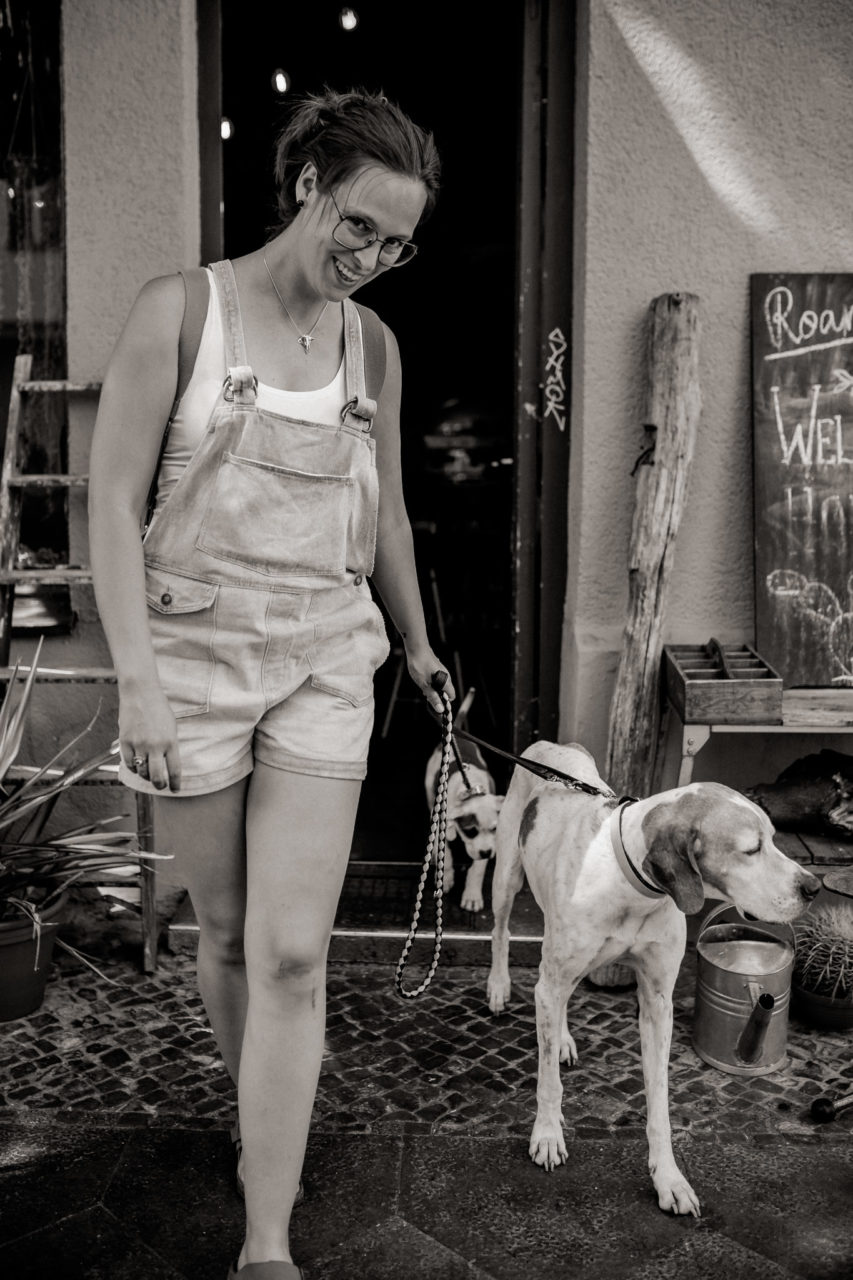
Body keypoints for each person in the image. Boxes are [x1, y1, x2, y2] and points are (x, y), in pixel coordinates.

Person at [88, 87, 455, 1280]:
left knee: (298, 952)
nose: (374, 259)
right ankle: (266, 1113)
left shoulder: (376, 348)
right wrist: (134, 681)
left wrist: (415, 640)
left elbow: (385, 511)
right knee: (232, 932)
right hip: (189, 663)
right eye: (360, 227)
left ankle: (267, 1236)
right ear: (307, 186)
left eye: (398, 243)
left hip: (321, 662)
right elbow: (110, 501)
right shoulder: (179, 313)